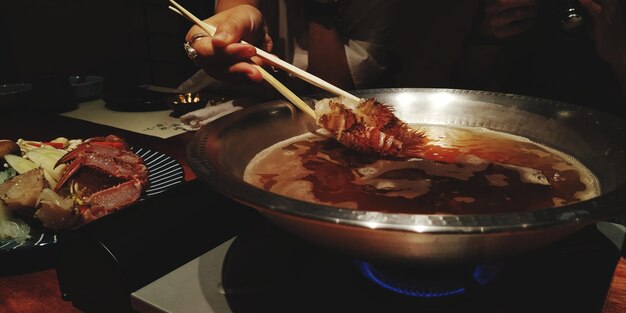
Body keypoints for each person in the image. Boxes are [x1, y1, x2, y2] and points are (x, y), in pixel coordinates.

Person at [181, 0, 400, 98]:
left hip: (313, 117)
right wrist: (208, 35)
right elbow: (234, 12)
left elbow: (332, 93)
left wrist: (320, 6)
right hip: (225, 102)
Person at [451, 0, 626, 117]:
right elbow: (464, 89)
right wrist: (490, 30)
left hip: (606, 130)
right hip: (518, 122)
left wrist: (618, 54)